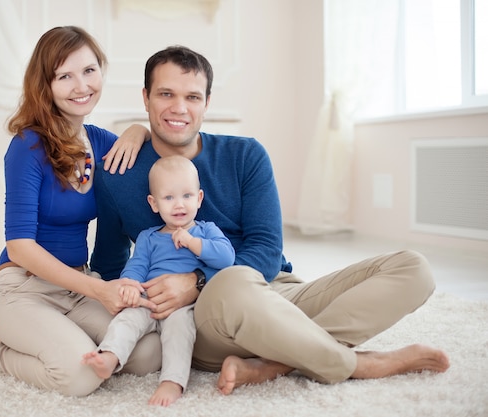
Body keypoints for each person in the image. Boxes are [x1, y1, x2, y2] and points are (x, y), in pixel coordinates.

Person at [90, 45, 450, 395]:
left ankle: (272, 365)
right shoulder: (120, 172)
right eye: (166, 93)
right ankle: (357, 365)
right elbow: (110, 265)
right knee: (232, 282)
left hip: (275, 287)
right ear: (146, 98)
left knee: (413, 268)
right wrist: (147, 299)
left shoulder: (245, 154)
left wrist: (195, 280)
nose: (179, 108)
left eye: (193, 97)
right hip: (203, 318)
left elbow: (266, 249)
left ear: (207, 102)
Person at [0, 26, 162, 397]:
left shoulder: (99, 142)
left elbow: (149, 160)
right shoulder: (27, 145)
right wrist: (100, 289)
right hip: (23, 287)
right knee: (80, 377)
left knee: (148, 354)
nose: (81, 85)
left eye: (89, 71)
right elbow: (19, 246)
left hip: (75, 287)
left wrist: (137, 130)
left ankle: (54, 333)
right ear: (44, 85)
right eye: (65, 76)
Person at [82, 155, 235, 406]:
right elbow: (137, 266)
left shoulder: (206, 231)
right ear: (154, 204)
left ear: (199, 198)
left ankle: (172, 382)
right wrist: (130, 285)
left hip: (183, 306)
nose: (179, 205)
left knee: (179, 332)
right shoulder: (148, 237)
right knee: (126, 319)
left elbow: (227, 258)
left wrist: (192, 243)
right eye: (169, 198)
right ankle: (109, 356)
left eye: (187, 196)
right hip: (149, 301)